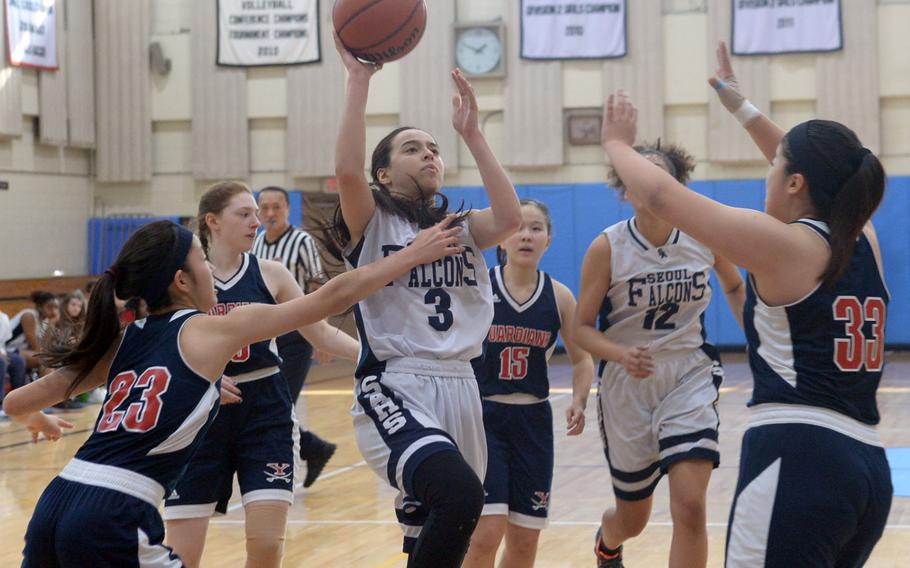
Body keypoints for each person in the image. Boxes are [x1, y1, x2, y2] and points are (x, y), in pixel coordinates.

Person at [3, 217, 463, 567]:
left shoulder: (125, 339)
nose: (210, 268)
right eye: (202, 260)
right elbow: (329, 299)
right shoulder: (213, 329)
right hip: (114, 513)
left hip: (58, 500)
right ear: (182, 281)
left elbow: (15, 402)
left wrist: (39, 420)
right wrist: (408, 255)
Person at [599, 40, 891, 568]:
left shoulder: (786, 246)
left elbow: (662, 197)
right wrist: (741, 107)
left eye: (776, 166)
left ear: (796, 183)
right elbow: (829, 173)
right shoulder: (860, 236)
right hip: (867, 467)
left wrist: (618, 146)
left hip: (799, 457)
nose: (768, 171)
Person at [329, 32, 522, 568]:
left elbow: (509, 220)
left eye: (434, 148)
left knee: (436, 528)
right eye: (413, 148)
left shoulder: (459, 228)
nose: (429, 154)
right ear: (385, 173)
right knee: (459, 497)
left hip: (461, 382)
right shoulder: (373, 221)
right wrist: (358, 81)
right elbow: (347, 171)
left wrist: (474, 135)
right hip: (397, 382)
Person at [162, 182, 364, 568]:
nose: (257, 221)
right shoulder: (183, 281)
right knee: (180, 555)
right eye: (245, 214)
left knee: (267, 545)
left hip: (264, 412)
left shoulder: (272, 274)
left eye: (257, 213)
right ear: (213, 222)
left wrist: (372, 355)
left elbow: (319, 330)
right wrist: (198, 378)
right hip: (198, 417)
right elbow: (159, 344)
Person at [574, 136, 745, 568]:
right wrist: (618, 353)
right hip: (627, 383)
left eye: (658, 176)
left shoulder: (703, 235)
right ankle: (608, 540)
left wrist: (758, 341)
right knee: (633, 518)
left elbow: (735, 284)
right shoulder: (607, 247)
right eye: (638, 175)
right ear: (625, 189)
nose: (649, 184)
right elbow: (579, 329)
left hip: (690, 372)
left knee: (690, 506)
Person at [463, 200, 595, 568]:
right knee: (486, 533)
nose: (526, 235)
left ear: (548, 241)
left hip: (533, 423)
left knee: (524, 543)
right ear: (501, 239)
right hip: (482, 418)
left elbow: (583, 358)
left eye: (536, 228)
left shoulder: (560, 297)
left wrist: (579, 400)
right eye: (518, 227)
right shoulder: (476, 287)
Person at [252, 185, 337, 488]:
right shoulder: (256, 243)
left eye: (277, 207)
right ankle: (314, 448)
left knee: (280, 402)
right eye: (265, 208)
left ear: (289, 209)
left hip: (297, 336)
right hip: (265, 337)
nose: (271, 213)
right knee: (270, 403)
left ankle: (281, 468)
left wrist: (320, 334)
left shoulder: (301, 241)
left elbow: (318, 285)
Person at [7, 291, 60, 371]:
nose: (53, 311)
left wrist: (51, 324)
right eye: (49, 307)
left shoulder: (45, 322)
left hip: (19, 351)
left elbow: (45, 346)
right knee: (44, 359)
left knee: (52, 359)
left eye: (56, 307)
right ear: (40, 306)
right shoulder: (29, 316)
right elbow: (35, 346)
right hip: (7, 348)